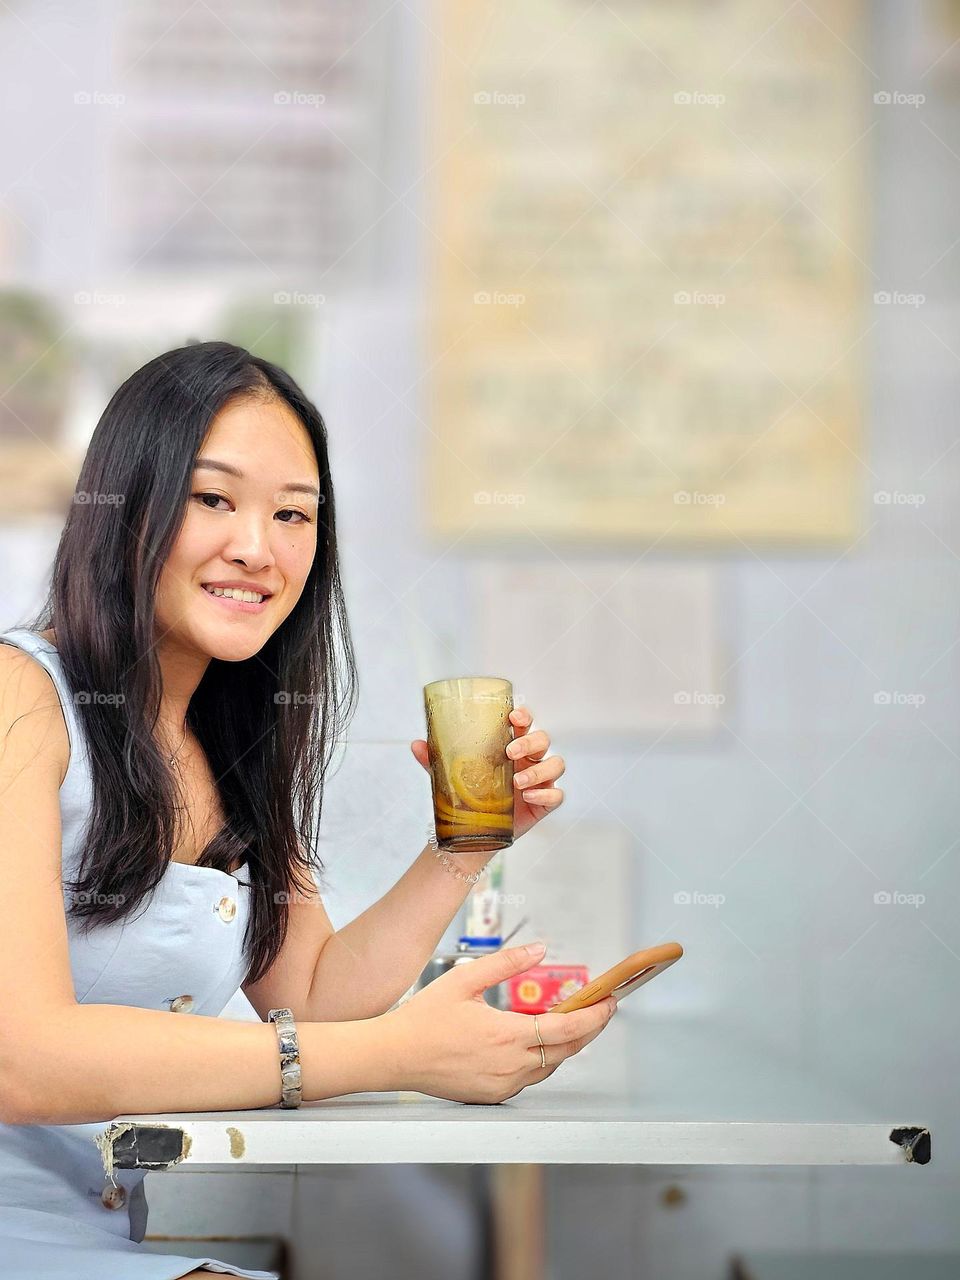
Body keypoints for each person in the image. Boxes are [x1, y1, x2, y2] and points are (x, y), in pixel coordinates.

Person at [0, 340, 619, 1279]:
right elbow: (27, 1060)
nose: (259, 547)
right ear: (125, 506)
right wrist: (396, 1055)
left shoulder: (230, 741)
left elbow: (316, 995)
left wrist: (465, 843)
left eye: (294, 513)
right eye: (215, 498)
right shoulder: (19, 699)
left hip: (93, 1228)